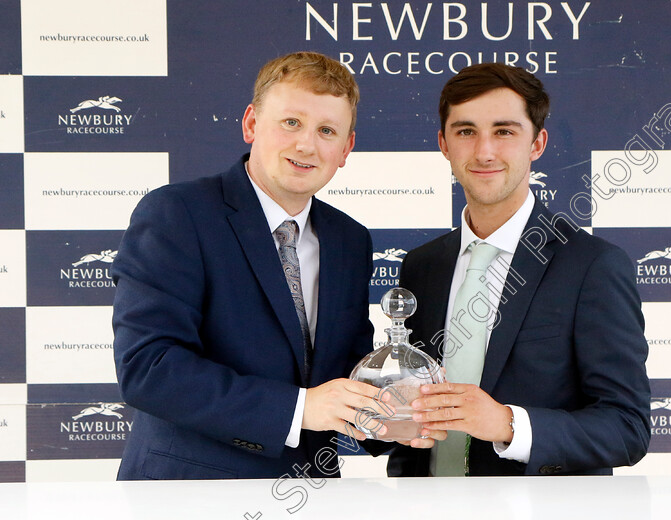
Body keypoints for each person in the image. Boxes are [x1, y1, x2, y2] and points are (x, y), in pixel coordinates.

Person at [111, 52, 436, 480]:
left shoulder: (350, 240)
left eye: (326, 130)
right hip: (190, 494)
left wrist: (396, 408)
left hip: (309, 494)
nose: (306, 144)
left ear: (346, 148)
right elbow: (149, 368)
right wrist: (301, 408)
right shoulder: (178, 214)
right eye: (291, 122)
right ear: (251, 123)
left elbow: (341, 373)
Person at [388, 63, 651, 477]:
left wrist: (509, 425)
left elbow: (627, 428)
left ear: (537, 143)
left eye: (504, 131)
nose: (484, 151)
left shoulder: (593, 266)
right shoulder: (422, 265)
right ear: (443, 143)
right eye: (465, 131)